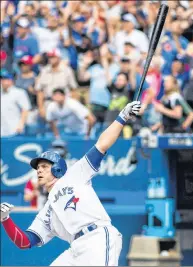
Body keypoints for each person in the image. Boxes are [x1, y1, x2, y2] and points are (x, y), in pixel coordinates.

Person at [0, 101, 141, 266]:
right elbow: (25, 242)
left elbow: (102, 145)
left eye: (44, 166)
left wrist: (122, 117)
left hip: (97, 237)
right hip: (76, 247)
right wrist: (5, 219)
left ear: (58, 168)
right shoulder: (47, 210)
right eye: (38, 168)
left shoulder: (74, 175)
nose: (39, 170)